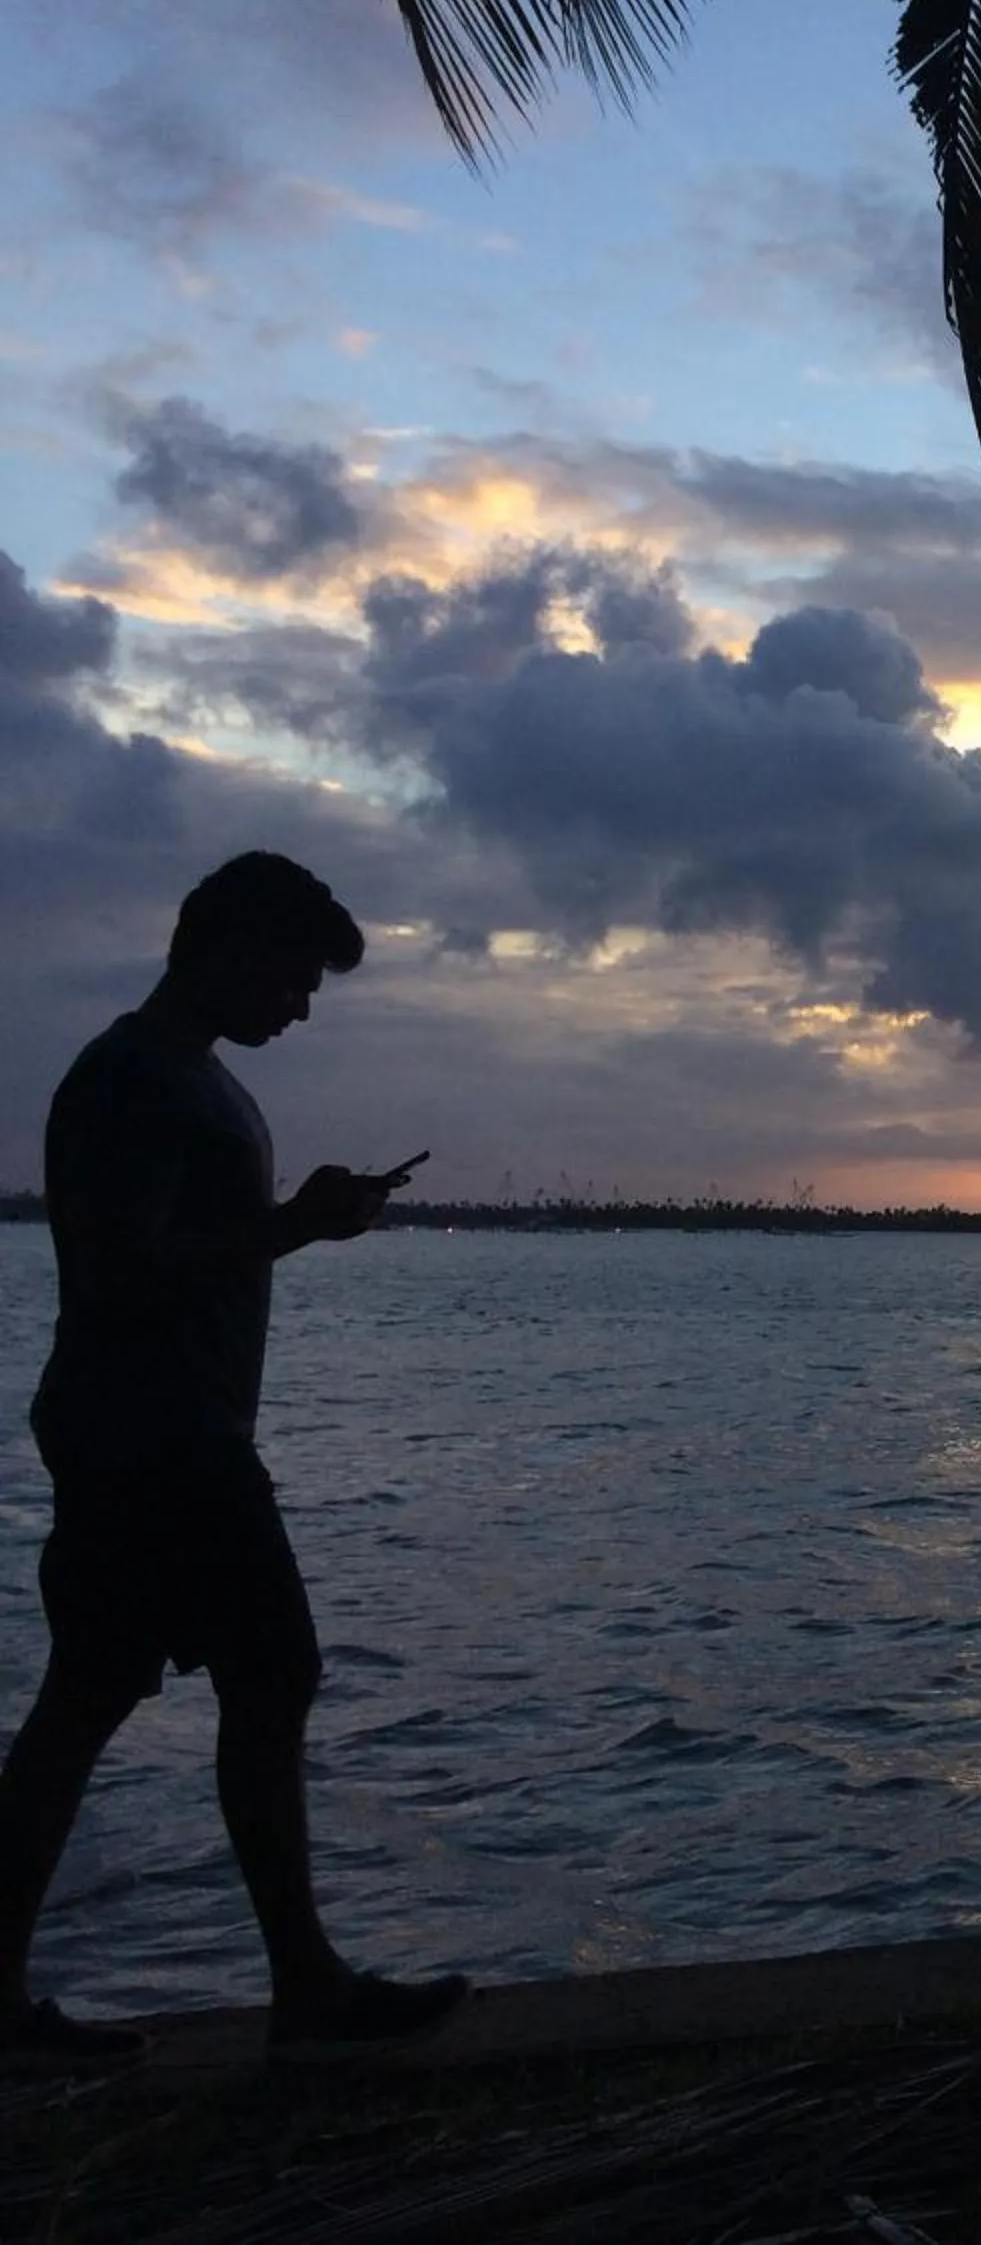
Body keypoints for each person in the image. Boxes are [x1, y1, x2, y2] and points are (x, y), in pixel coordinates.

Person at [0, 852, 469, 2067]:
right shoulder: (130, 1082)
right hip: (157, 1438)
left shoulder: (192, 1081)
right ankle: (309, 1990)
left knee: (88, 1703)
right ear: (231, 947)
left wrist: (298, 1229)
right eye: (297, 978)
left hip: (153, 1432)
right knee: (268, 1678)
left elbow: (188, 1250)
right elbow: (121, 1271)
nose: (301, 1007)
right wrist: (292, 1227)